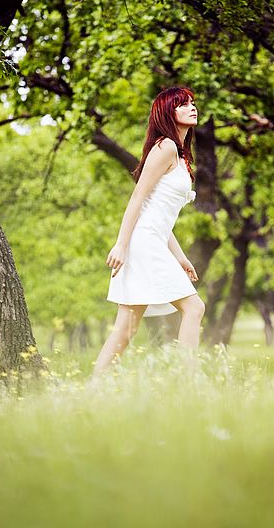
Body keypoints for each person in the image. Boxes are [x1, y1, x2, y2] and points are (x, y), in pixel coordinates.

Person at [90, 86, 206, 380]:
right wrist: (121, 244)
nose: (192, 107)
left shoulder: (179, 156)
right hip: (143, 243)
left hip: (153, 239)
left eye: (192, 103)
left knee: (126, 329)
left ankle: (92, 389)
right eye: (183, 104)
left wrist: (180, 257)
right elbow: (138, 198)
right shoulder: (165, 146)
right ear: (169, 112)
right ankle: (188, 382)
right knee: (194, 307)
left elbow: (159, 217)